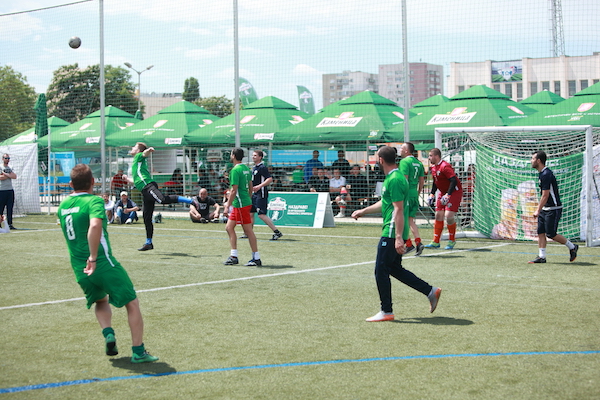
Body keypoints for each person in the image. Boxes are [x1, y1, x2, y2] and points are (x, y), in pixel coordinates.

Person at [57, 164, 158, 363]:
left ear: (70, 184)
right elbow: (95, 225)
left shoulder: (63, 205)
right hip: (101, 262)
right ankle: (138, 351)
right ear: (92, 182)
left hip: (79, 267)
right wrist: (93, 257)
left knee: (101, 300)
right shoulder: (93, 201)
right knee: (132, 302)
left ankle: (108, 333)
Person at [351, 146, 442, 322]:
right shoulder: (394, 177)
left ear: (381, 160)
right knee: (394, 268)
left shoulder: (395, 179)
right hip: (394, 230)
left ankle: (387, 311)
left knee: (380, 270)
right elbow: (386, 203)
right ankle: (430, 291)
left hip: (392, 231)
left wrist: (399, 237)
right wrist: (363, 211)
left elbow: (398, 209)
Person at [128, 142, 192, 251]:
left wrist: (149, 150)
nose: (132, 147)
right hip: (145, 191)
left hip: (148, 187)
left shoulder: (139, 156)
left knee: (162, 200)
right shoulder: (136, 161)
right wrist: (127, 180)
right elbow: (137, 181)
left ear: (138, 151)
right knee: (146, 218)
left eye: (134, 147)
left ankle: (190, 200)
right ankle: (148, 243)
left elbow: (144, 153)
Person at [529, 150, 578, 263]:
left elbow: (545, 195)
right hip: (545, 208)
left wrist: (537, 210)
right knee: (540, 232)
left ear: (538, 160)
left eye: (533, 159)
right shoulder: (541, 173)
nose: (531, 161)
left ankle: (572, 246)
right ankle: (542, 257)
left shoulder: (546, 174)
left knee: (551, 234)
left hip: (553, 209)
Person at [223, 148, 262, 267]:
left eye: (231, 154)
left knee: (248, 231)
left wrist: (227, 205)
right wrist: (248, 198)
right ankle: (233, 256)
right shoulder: (246, 168)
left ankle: (256, 258)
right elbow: (250, 185)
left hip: (240, 204)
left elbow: (233, 190)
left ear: (233, 156)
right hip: (242, 203)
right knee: (229, 227)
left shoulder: (235, 170)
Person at [424, 148, 463, 250]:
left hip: (454, 192)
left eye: (430, 155)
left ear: (436, 156)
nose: (429, 158)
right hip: (443, 192)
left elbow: (453, 180)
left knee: (448, 215)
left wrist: (448, 195)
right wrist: (432, 194)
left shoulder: (445, 166)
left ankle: (452, 240)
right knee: (438, 215)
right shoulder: (433, 167)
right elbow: (435, 182)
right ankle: (436, 241)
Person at [249, 150, 283, 240]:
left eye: (255, 155)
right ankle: (248, 233)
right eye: (253, 155)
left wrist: (259, 186)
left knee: (261, 214)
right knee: (250, 213)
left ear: (260, 157)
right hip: (254, 194)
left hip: (261, 194)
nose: (253, 157)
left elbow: (269, 179)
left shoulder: (262, 167)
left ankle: (277, 232)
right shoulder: (254, 168)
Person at [399, 143, 425, 256]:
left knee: (401, 219)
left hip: (406, 194)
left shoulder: (404, 162)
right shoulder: (419, 163)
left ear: (406, 150)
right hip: (414, 193)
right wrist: (417, 192)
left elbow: (404, 180)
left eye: (401, 148)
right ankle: (418, 242)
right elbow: (422, 181)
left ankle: (409, 244)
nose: (400, 150)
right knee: (410, 220)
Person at [0, 153, 17, 230]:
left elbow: (14, 176)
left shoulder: (11, 167)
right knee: (1, 208)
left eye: (8, 158)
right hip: (1, 190)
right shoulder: (0, 166)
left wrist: (5, 174)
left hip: (10, 190)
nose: (7, 160)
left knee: (10, 208)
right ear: (2, 159)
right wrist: (8, 175)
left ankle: (10, 224)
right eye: (6, 158)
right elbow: (1, 178)